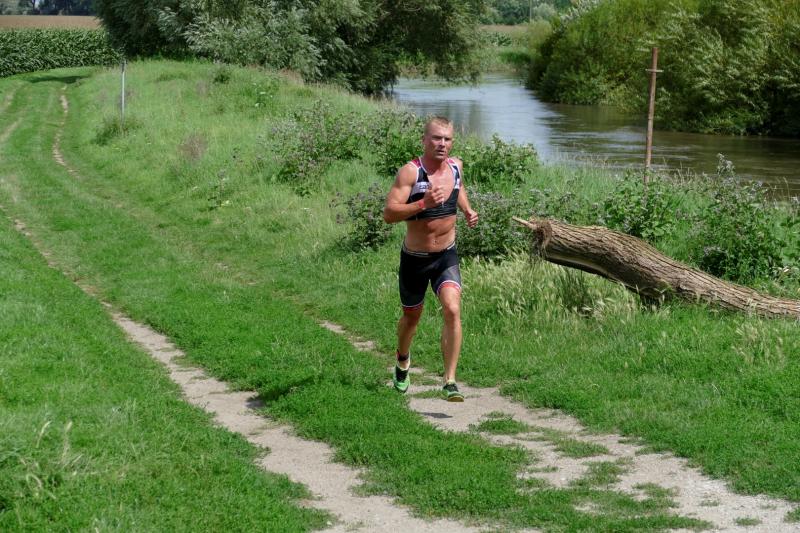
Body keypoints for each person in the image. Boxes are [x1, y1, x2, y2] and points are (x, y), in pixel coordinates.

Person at [382, 116, 478, 401]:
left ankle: (450, 381)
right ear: (424, 140)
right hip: (415, 258)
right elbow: (389, 213)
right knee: (412, 318)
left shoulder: (456, 167)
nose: (442, 144)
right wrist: (423, 203)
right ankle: (402, 359)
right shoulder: (411, 172)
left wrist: (467, 210)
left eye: (447, 139)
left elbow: (459, 188)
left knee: (452, 309)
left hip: (446, 255)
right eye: (436, 138)